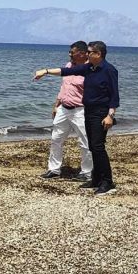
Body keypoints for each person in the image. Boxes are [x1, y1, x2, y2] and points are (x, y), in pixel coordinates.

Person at [33, 41, 120, 195]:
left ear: (98, 54)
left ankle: (107, 182)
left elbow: (114, 96)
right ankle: (95, 179)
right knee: (93, 146)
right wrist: (45, 71)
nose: (87, 54)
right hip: (89, 112)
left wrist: (110, 115)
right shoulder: (89, 68)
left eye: (90, 52)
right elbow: (65, 72)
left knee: (97, 147)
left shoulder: (109, 70)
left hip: (101, 113)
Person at [39, 41, 93, 181]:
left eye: (72, 52)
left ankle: (87, 172)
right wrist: (56, 105)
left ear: (81, 54)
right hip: (64, 109)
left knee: (85, 142)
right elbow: (64, 87)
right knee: (56, 139)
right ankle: (54, 169)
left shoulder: (90, 69)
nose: (69, 54)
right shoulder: (69, 65)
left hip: (80, 110)